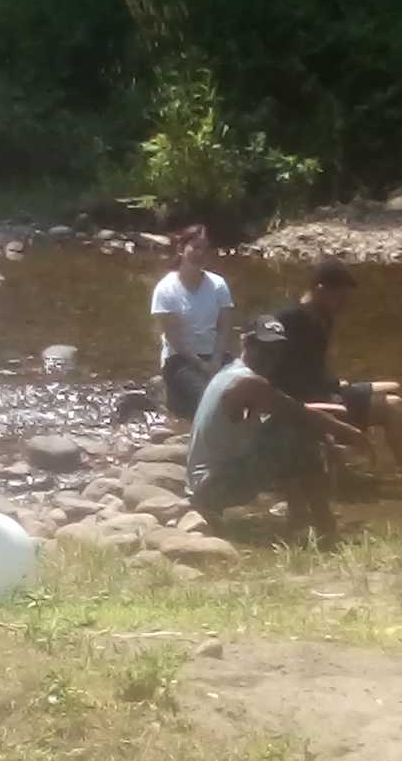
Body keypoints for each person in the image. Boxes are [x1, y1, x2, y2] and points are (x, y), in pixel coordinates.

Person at [187, 315, 371, 542]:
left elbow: (287, 406)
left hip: (209, 480)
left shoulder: (232, 372)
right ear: (246, 343)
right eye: (263, 349)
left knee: (285, 430)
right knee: (298, 437)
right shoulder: (248, 382)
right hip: (214, 486)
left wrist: (330, 414)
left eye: (275, 350)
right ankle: (326, 529)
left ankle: (300, 518)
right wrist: (353, 434)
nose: (270, 357)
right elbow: (298, 413)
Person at [270, 257, 402, 491]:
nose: (343, 303)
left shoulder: (323, 317)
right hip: (306, 401)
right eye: (339, 296)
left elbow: (312, 366)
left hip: (324, 390)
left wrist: (335, 384)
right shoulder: (290, 318)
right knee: (393, 406)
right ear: (320, 289)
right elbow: (274, 367)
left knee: (394, 386)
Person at [150, 225, 234, 418]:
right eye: (195, 247)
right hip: (180, 360)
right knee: (209, 398)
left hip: (214, 355)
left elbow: (224, 327)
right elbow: (174, 338)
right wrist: (201, 365)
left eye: (204, 249)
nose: (200, 253)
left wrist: (216, 359)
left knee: (248, 386)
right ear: (181, 250)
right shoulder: (166, 289)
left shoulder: (218, 285)